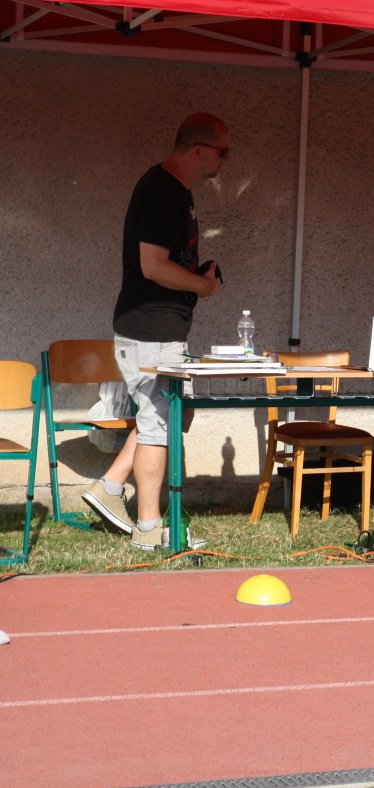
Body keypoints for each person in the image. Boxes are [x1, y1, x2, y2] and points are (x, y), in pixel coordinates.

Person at [81, 113, 227, 550]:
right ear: (198, 150)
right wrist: (203, 285)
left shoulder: (174, 190)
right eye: (223, 151)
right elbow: (153, 266)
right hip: (151, 331)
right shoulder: (164, 191)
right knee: (157, 428)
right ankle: (148, 528)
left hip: (158, 329)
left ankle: (109, 486)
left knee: (167, 416)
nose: (225, 160)